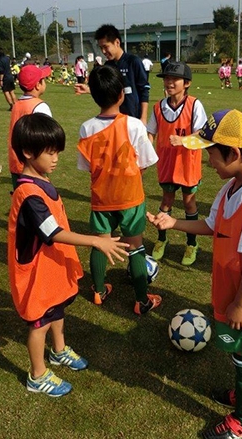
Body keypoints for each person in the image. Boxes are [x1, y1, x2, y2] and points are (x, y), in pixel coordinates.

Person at [148, 109, 242, 439]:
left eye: (212, 155)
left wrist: (239, 303)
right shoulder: (234, 185)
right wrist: (173, 222)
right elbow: (212, 225)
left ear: (234, 153)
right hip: (234, 289)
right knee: (240, 354)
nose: (209, 163)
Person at [9, 113, 129, 397]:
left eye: (57, 152)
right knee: (40, 322)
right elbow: (52, 233)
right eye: (50, 152)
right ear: (28, 153)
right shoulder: (29, 195)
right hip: (36, 272)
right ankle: (37, 375)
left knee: (57, 307)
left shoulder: (41, 180)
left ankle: (59, 350)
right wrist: (96, 242)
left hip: (51, 268)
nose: (56, 158)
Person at [77, 65, 160, 314]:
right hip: (130, 197)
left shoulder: (86, 127)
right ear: (122, 96)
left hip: (102, 198)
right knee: (135, 247)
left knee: (101, 243)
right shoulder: (134, 125)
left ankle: (99, 291)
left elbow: (87, 166)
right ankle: (141, 300)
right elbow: (145, 162)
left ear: (93, 95)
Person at [147, 62, 207, 266]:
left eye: (175, 79)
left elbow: (202, 133)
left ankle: (191, 244)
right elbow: (150, 133)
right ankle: (161, 239)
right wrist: (145, 152)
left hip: (187, 163)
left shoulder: (194, 104)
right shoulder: (158, 107)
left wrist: (183, 140)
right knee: (166, 202)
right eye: (166, 78)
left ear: (187, 83)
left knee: (189, 202)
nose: (169, 82)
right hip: (166, 164)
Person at [76, 24, 150, 124]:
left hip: (133, 119)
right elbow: (107, 90)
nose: (103, 51)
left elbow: (144, 90)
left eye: (106, 47)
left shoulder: (133, 62)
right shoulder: (107, 66)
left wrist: (143, 118)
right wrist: (89, 90)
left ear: (117, 42)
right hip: (113, 120)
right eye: (101, 48)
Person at [8, 64, 53, 189]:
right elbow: (47, 136)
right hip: (35, 163)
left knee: (21, 197)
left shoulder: (17, 104)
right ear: (38, 85)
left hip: (16, 161)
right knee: (38, 198)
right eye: (43, 80)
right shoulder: (40, 106)